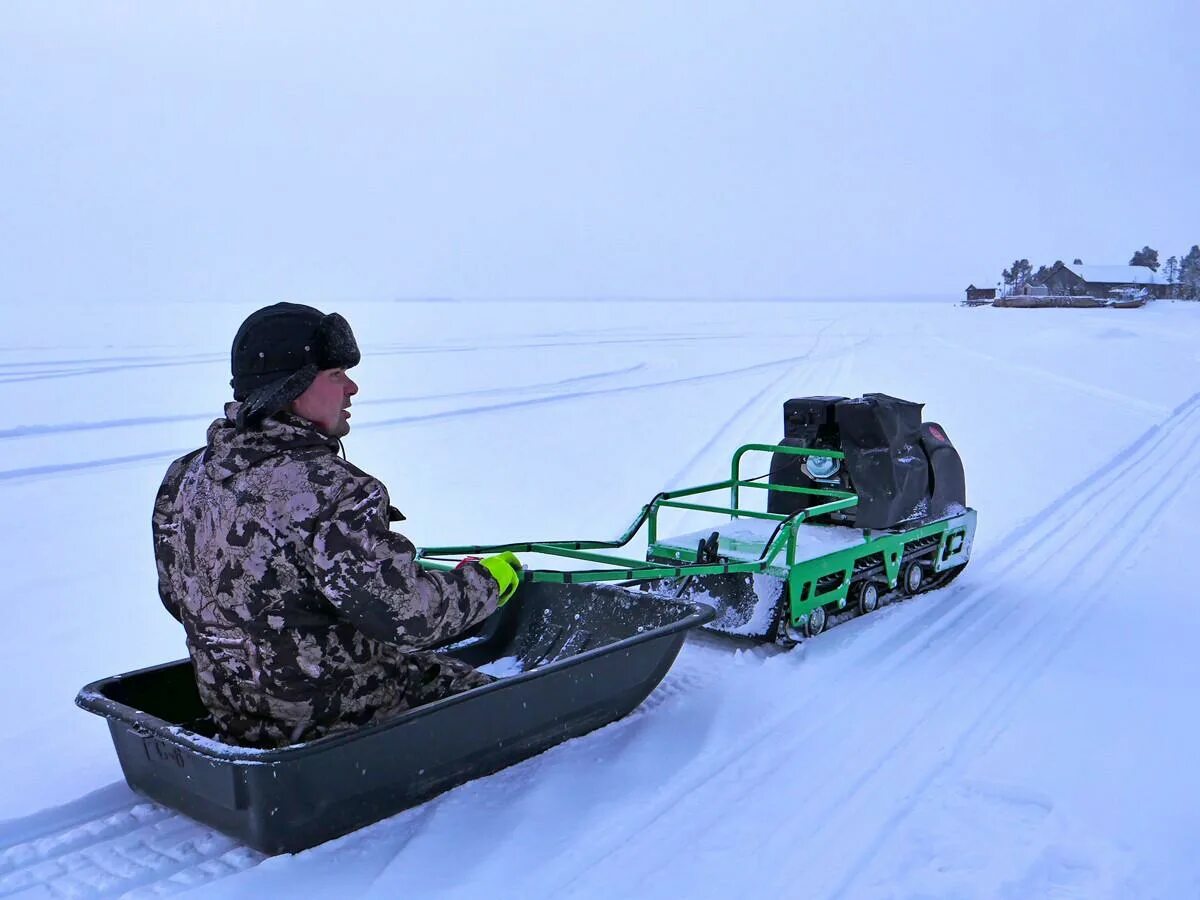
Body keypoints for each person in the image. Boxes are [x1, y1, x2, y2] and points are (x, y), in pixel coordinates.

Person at [152, 302, 521, 748]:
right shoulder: (333, 490)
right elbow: (410, 617)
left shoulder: (185, 476)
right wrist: (487, 581)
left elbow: (177, 598)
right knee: (513, 706)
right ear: (291, 389)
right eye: (335, 375)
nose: (352, 388)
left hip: (236, 714)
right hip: (343, 719)